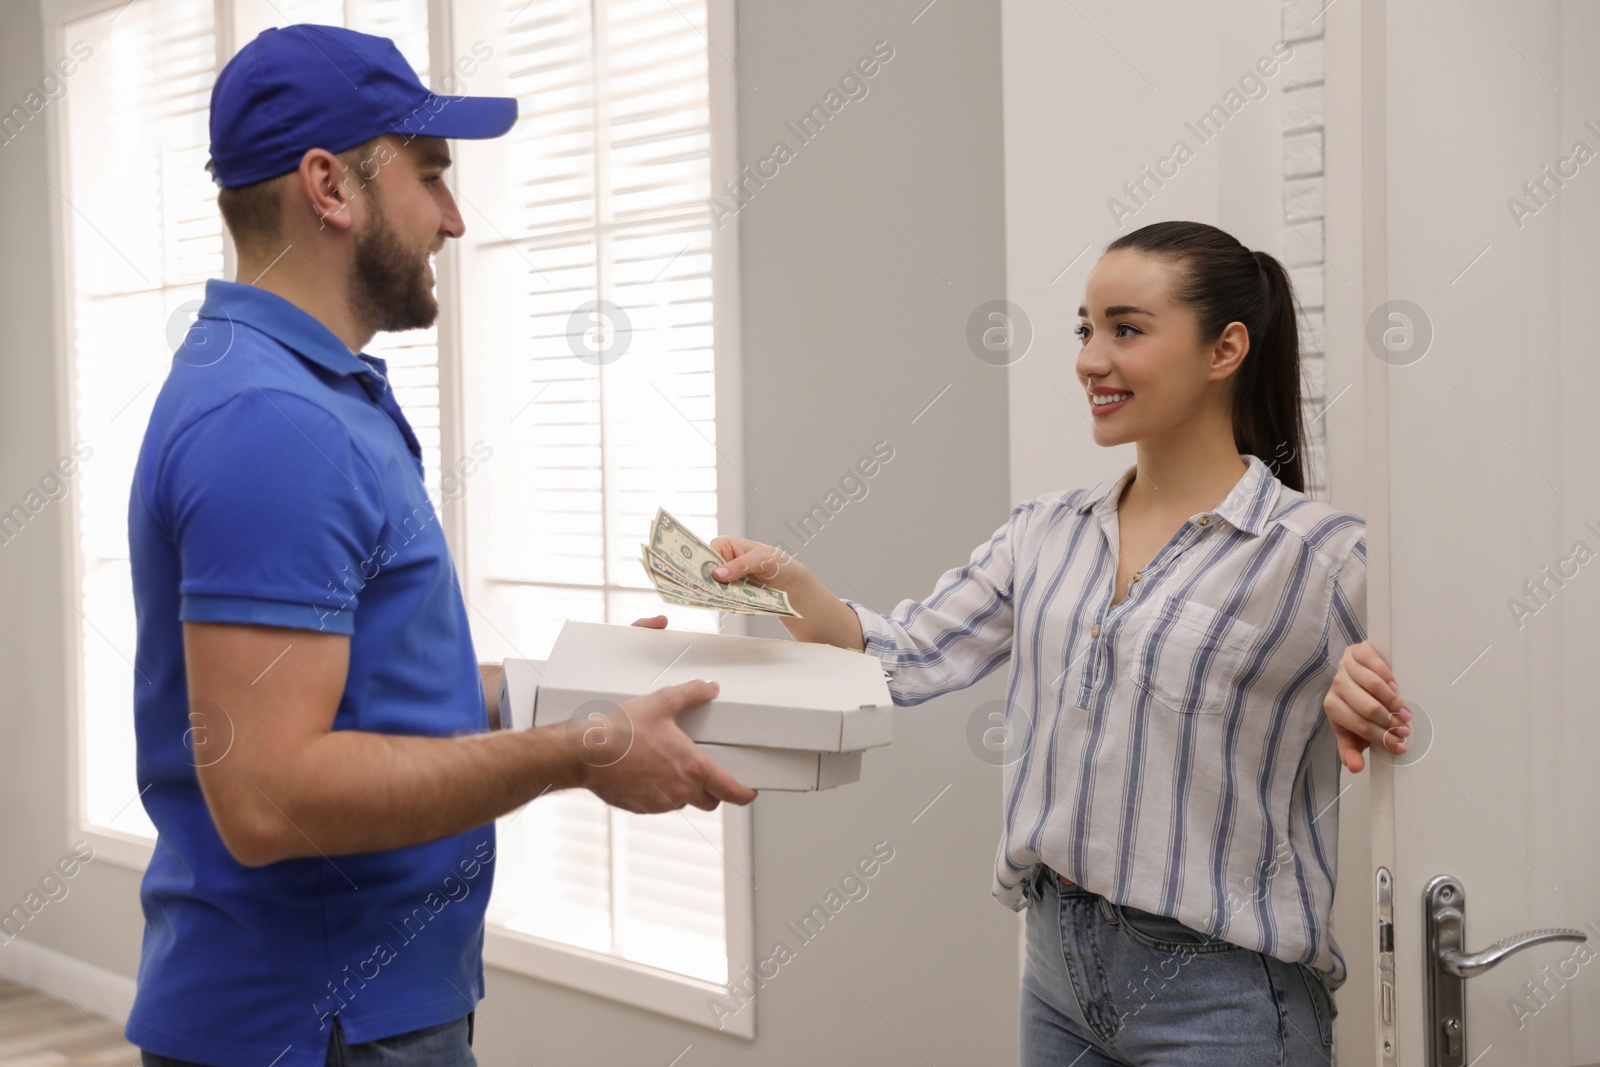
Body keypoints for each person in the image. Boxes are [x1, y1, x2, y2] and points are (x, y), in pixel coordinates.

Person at [124, 25, 753, 1067]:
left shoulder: (306, 392)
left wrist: (564, 688)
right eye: (430, 176)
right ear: (330, 187)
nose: (453, 220)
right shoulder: (275, 424)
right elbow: (271, 794)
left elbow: (358, 689)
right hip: (316, 1022)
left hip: (349, 1008)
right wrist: (582, 751)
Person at [708, 220, 1409, 1065]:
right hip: (1056, 972)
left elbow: (1437, 710)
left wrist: (1374, 692)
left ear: (1225, 349)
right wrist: (790, 582)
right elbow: (902, 654)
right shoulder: (1044, 532)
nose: (1089, 358)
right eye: (1086, 328)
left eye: (1126, 329)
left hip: (1224, 1000)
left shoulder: (1325, 556)